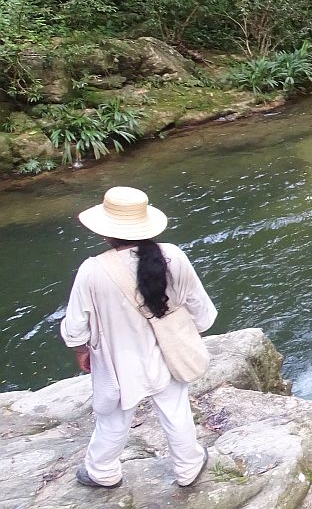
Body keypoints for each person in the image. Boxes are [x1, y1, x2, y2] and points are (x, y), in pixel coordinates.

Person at [61, 186, 217, 490]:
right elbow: (198, 306)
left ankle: (102, 471)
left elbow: (77, 326)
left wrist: (82, 350)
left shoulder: (92, 270)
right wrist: (190, 333)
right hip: (168, 352)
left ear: (106, 232)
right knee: (175, 409)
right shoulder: (172, 256)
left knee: (114, 419)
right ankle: (188, 466)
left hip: (118, 361)